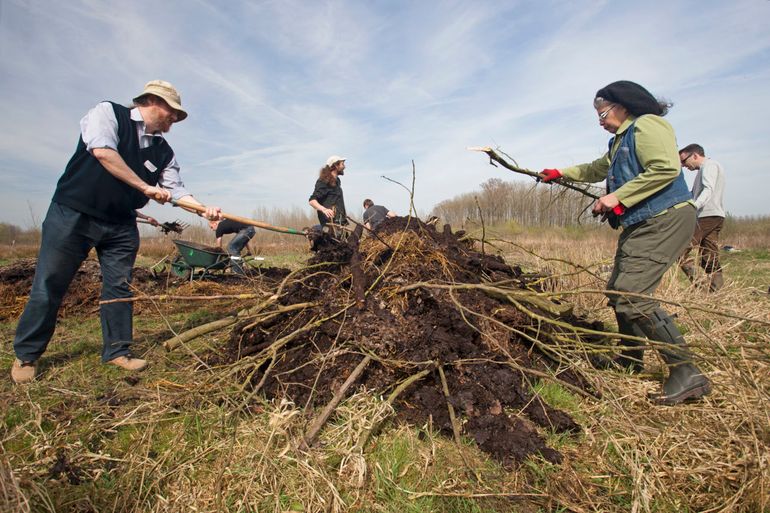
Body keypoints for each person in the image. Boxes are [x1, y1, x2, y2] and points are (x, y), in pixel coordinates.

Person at [11, 80, 221, 384]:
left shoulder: (164, 151)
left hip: (120, 224)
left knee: (120, 287)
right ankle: (27, 354)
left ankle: (117, 351)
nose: (174, 121)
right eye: (172, 113)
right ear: (152, 101)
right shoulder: (108, 114)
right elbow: (103, 153)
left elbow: (176, 191)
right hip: (74, 213)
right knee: (50, 284)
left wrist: (203, 209)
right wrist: (146, 187)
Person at [538, 80, 711, 405]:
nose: (600, 120)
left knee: (632, 295)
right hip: (642, 221)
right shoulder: (619, 143)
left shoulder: (649, 125)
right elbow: (595, 168)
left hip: (666, 216)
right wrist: (560, 172)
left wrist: (617, 196)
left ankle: (687, 373)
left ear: (623, 105)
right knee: (619, 291)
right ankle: (630, 360)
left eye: (602, 112)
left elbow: (665, 168)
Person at [678, 144, 726, 291]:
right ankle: (715, 291)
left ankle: (700, 286)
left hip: (707, 216)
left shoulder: (709, 166)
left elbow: (708, 189)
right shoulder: (703, 171)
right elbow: (693, 194)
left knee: (679, 250)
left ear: (695, 155)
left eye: (684, 161)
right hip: (714, 215)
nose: (684, 166)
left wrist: (694, 206)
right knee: (709, 255)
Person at [308, 155, 348, 228]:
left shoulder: (337, 181)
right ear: (336, 165)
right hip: (330, 224)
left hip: (340, 223)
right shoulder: (323, 181)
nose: (344, 167)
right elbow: (312, 201)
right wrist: (324, 209)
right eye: (342, 164)